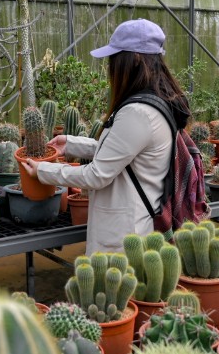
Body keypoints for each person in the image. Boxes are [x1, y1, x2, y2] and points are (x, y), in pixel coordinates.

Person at [20, 19, 190, 254]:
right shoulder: (156, 102)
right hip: (136, 224)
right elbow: (123, 151)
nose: (111, 67)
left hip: (126, 236)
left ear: (135, 60)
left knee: (117, 290)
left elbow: (97, 175)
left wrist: (42, 171)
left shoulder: (138, 112)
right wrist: (70, 144)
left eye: (115, 59)